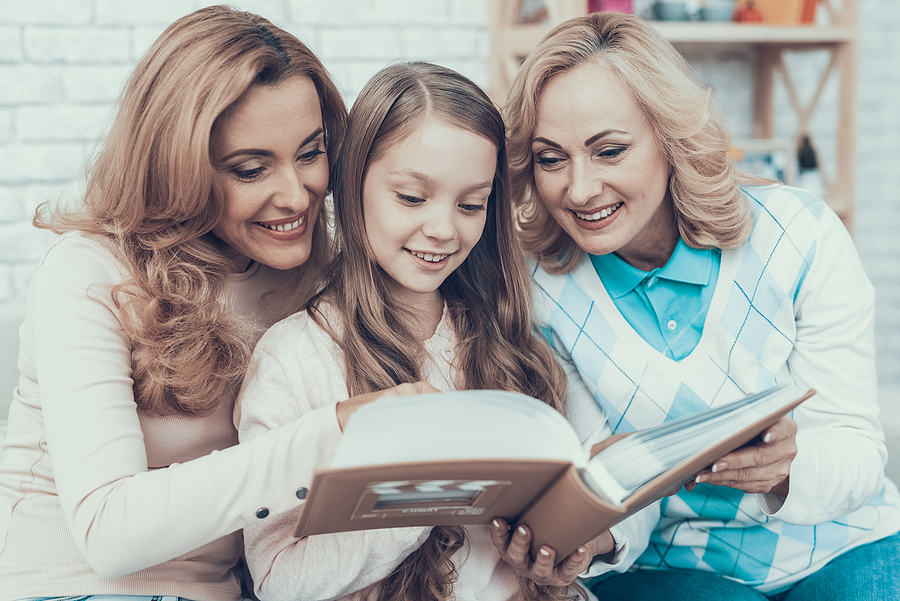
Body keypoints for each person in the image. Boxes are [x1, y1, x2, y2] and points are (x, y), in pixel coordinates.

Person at [0, 6, 428, 601]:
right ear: (178, 170)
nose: (296, 195)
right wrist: (333, 432)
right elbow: (109, 533)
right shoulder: (89, 271)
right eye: (251, 170)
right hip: (67, 586)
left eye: (311, 154)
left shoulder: (318, 278)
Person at [503, 11, 900, 601]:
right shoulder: (542, 293)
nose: (579, 190)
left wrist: (790, 467)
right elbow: (613, 487)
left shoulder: (800, 235)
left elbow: (857, 449)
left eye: (609, 150)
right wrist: (590, 539)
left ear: (669, 137)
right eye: (551, 158)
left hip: (840, 538)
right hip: (678, 565)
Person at [236, 61, 651, 601]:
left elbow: (586, 505)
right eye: (411, 198)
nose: (442, 228)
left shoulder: (508, 338)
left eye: (470, 205)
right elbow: (275, 580)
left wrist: (571, 542)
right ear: (351, 183)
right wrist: (421, 497)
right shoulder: (294, 359)